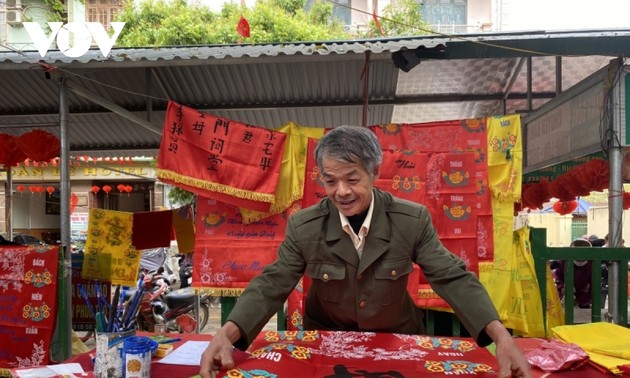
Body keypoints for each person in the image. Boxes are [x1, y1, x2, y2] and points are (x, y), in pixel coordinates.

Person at [199, 125, 531, 378]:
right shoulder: (305, 225)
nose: (341, 192)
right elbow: (272, 282)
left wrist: (501, 337)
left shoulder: (411, 219)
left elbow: (451, 276)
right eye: (330, 181)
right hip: (325, 345)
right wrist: (226, 334)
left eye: (352, 179)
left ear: (374, 172)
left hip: (397, 342)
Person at [555, 238, 593, 308]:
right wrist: (562, 288)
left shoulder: (592, 264)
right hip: (566, 296)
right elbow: (558, 276)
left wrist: (580, 301)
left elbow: (593, 289)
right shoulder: (564, 261)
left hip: (583, 299)